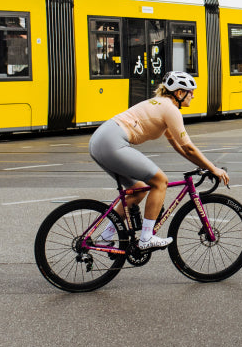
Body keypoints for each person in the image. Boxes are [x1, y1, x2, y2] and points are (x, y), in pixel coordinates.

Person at [89, 71, 229, 250]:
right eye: (190, 91)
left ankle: (106, 236)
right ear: (179, 93)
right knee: (160, 181)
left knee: (138, 190)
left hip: (100, 140)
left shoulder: (160, 105)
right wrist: (214, 168)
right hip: (111, 142)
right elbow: (189, 147)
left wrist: (204, 166)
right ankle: (146, 238)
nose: (193, 95)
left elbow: (179, 147)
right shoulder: (170, 109)